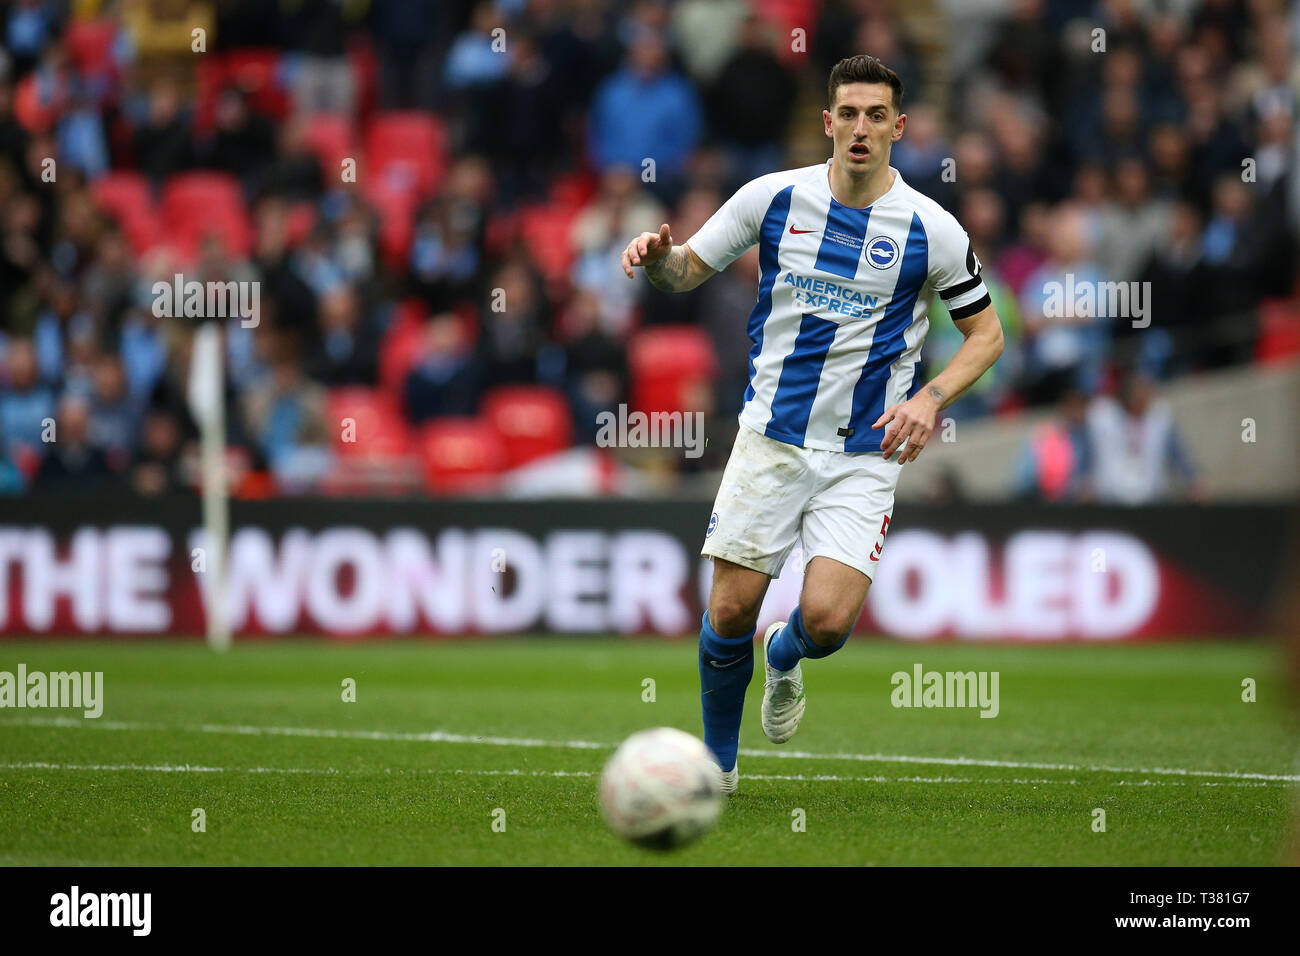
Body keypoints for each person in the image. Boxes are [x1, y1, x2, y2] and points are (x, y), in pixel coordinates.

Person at [620, 55, 1004, 793]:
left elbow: (985, 335)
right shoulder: (771, 199)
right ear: (828, 124)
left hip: (865, 452)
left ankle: (786, 656)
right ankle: (718, 770)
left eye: (876, 115)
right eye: (849, 114)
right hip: (772, 437)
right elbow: (684, 273)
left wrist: (929, 399)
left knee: (826, 623)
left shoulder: (934, 229)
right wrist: (657, 258)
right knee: (729, 609)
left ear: (899, 126)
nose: (861, 129)